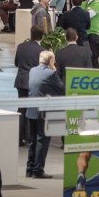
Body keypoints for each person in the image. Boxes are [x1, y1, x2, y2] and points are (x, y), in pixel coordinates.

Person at [25, 50, 63, 179]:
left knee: (32, 140)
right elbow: (62, 88)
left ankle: (29, 169)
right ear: (50, 61)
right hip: (43, 112)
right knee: (42, 140)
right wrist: (54, 70)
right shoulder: (51, 73)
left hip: (31, 110)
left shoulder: (32, 71)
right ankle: (38, 170)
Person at [13, 27, 46, 146]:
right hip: (33, 82)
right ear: (41, 36)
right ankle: (28, 137)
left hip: (21, 81)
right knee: (32, 110)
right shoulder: (42, 51)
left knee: (21, 109)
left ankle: (19, 137)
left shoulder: (21, 46)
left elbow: (16, 63)